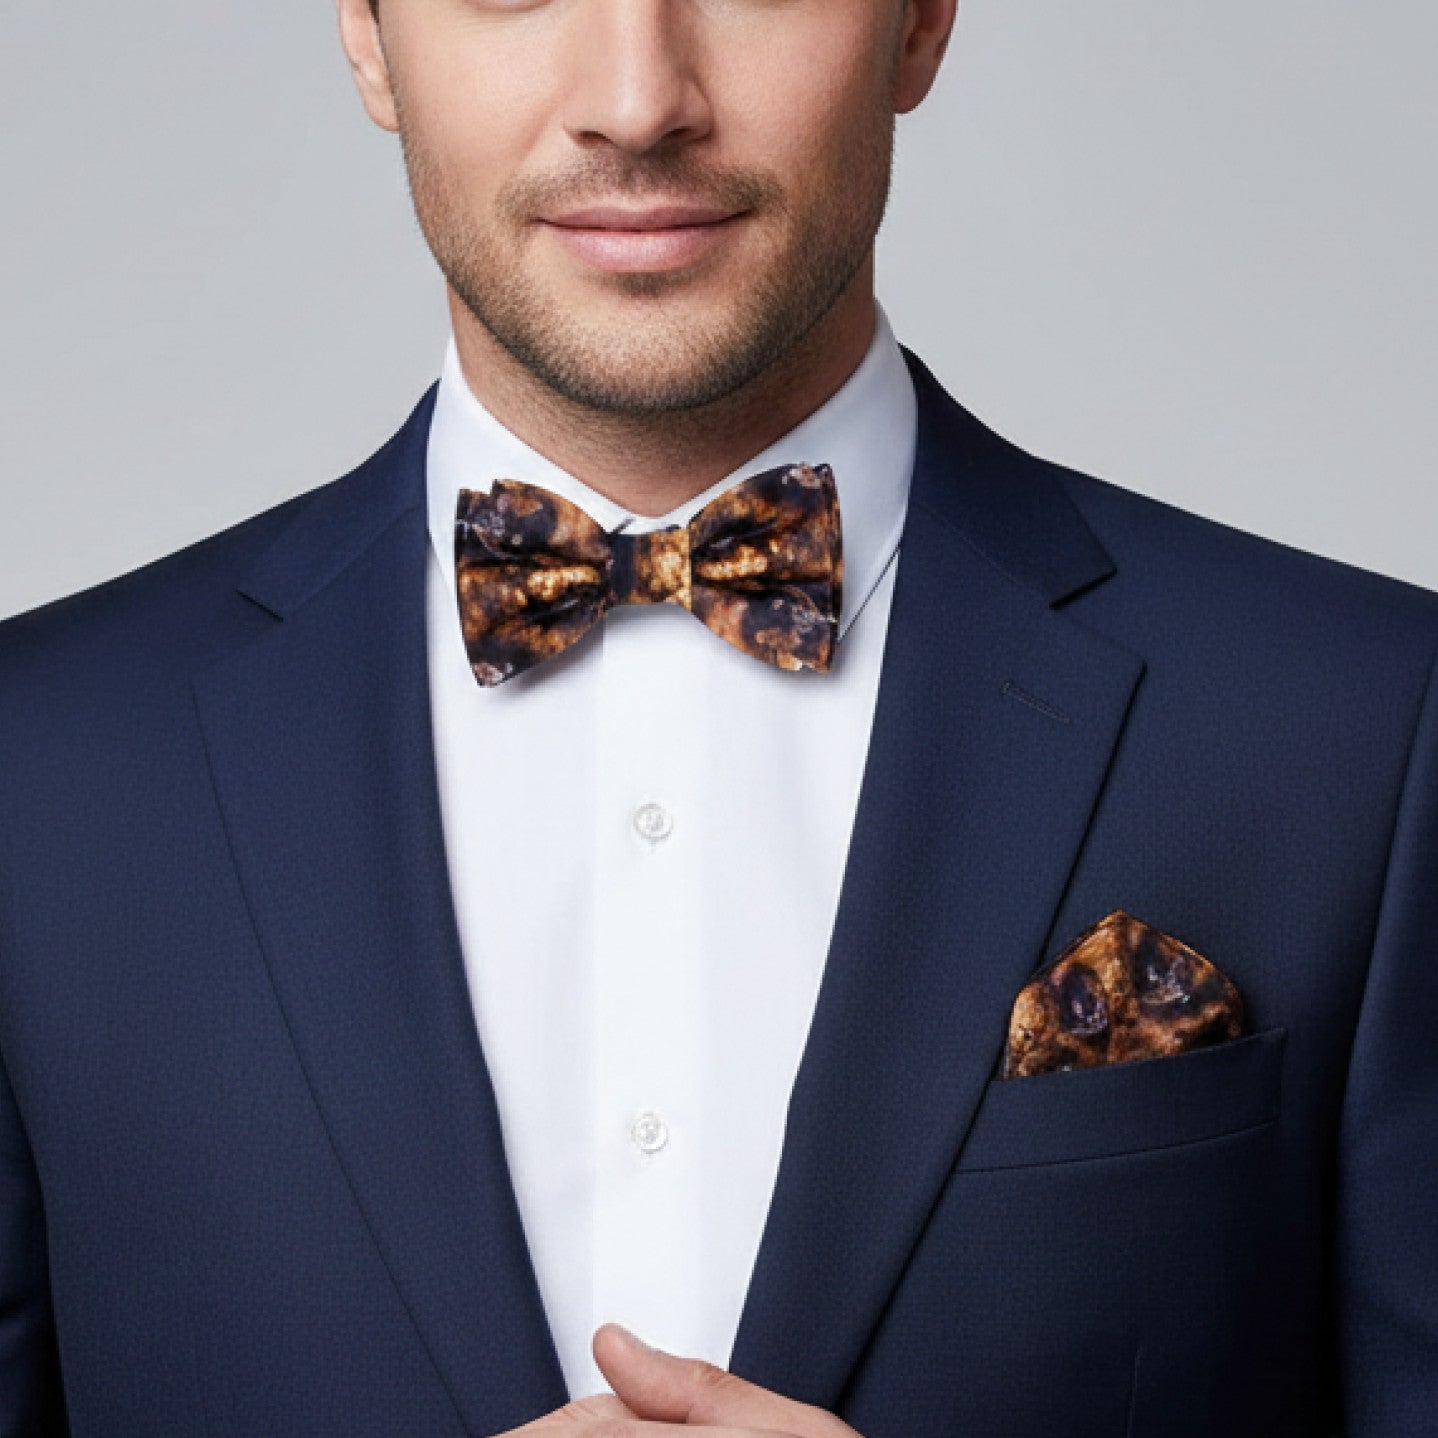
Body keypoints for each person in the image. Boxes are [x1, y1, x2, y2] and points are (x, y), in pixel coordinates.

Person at [0, 0, 1433, 1432]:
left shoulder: (1366, 729)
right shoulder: (36, 772)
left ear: (922, 24)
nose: (637, 100)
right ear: (368, 37)